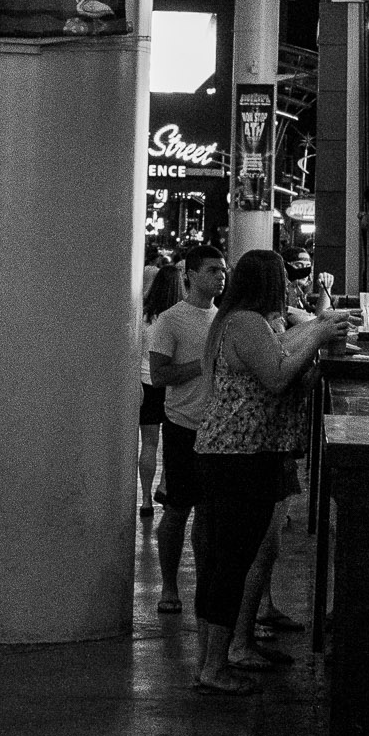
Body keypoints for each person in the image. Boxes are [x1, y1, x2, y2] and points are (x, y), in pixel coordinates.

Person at [191, 251, 348, 695]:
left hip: (233, 453)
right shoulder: (246, 323)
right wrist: (318, 333)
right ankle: (214, 666)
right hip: (240, 455)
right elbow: (278, 375)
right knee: (231, 561)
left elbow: (283, 373)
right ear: (270, 281)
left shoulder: (239, 321)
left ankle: (209, 658)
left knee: (224, 559)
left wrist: (316, 354)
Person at [147, 244, 226, 616]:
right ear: (190, 275)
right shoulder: (170, 321)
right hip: (182, 427)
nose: (220, 276)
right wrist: (202, 364)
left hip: (218, 428)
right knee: (177, 509)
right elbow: (160, 376)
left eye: (222, 271)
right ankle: (169, 584)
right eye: (212, 270)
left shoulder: (224, 317)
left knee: (209, 512)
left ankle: (206, 584)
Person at [137, 265, 183, 518]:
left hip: (147, 383)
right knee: (172, 445)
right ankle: (166, 489)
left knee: (149, 444)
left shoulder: (144, 316)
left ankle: (145, 500)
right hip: (173, 385)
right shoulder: (180, 318)